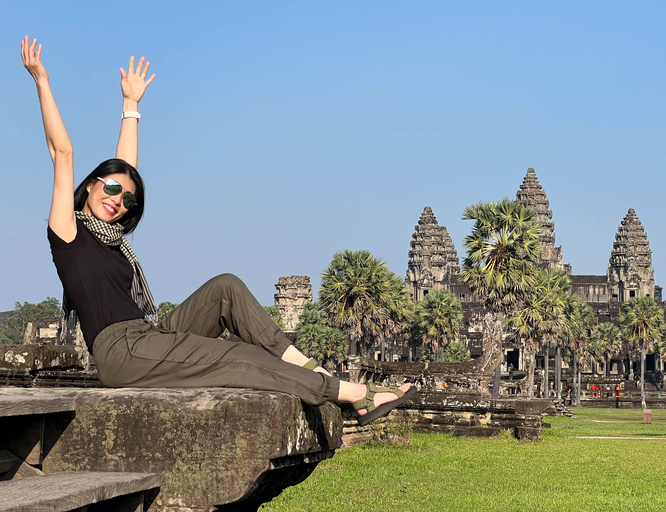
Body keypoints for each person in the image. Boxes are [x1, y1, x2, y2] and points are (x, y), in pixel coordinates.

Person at [20, 36, 412, 426]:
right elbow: (63, 153)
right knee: (236, 356)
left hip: (147, 335)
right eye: (109, 189)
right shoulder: (69, 235)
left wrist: (131, 108)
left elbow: (126, 170)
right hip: (120, 352)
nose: (118, 200)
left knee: (225, 287)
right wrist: (42, 81)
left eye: (128, 200)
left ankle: (306, 366)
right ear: (89, 185)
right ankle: (352, 394)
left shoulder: (112, 237)